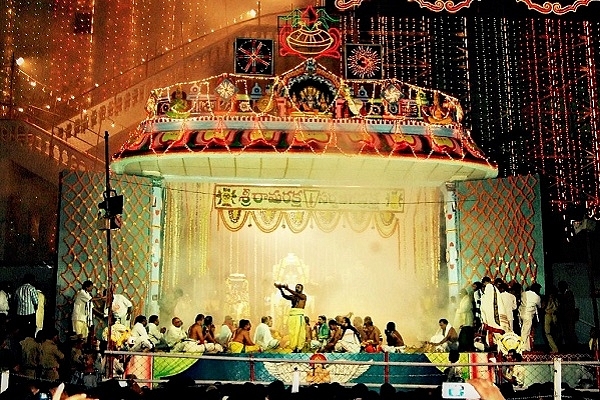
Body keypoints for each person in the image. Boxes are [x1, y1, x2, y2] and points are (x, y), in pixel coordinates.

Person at [275, 283, 307, 352]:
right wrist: (280, 289)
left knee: (299, 332)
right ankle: (293, 347)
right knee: (292, 332)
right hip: (293, 315)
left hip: (299, 315)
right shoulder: (293, 297)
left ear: (302, 289)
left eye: (298, 287)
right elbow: (284, 296)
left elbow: (296, 294)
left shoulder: (303, 296)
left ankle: (299, 347)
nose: (297, 288)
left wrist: (287, 288)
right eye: (296, 287)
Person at [15, 274, 39, 339]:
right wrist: (36, 308)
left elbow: (15, 301)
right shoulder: (32, 289)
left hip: (19, 314)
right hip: (30, 314)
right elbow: (36, 302)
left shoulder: (18, 289)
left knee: (21, 331)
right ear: (31, 280)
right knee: (30, 331)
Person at [519, 283, 542, 351]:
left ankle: (527, 347)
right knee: (526, 332)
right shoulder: (537, 297)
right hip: (528, 315)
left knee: (524, 330)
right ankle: (522, 347)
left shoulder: (524, 293)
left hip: (521, 313)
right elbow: (539, 306)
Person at [557, 280, 578, 351]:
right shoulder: (565, 294)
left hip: (569, 317)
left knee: (570, 332)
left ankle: (573, 347)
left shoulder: (568, 294)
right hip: (566, 317)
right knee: (567, 332)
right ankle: (570, 347)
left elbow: (567, 306)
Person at [544, 286, 560, 353]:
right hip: (554, 316)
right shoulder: (557, 299)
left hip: (548, 315)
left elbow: (545, 307)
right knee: (554, 332)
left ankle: (554, 348)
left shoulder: (549, 299)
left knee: (548, 333)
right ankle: (555, 347)